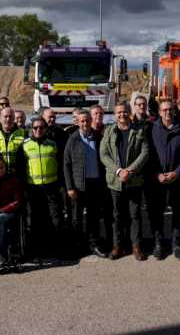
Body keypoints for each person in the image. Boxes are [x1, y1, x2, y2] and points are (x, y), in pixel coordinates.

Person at [100, 101, 150, 260]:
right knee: (117, 215)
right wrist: (119, 170)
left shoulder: (139, 131)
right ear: (115, 114)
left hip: (134, 180)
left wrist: (130, 170)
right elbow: (104, 154)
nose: (122, 115)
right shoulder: (109, 131)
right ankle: (117, 246)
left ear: (129, 113)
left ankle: (136, 246)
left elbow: (145, 152)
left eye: (124, 112)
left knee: (135, 215)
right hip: (115, 182)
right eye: (119, 112)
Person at [63, 109, 112, 258]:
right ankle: (78, 245)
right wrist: (70, 187)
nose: (85, 123)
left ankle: (93, 243)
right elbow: (66, 164)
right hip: (79, 186)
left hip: (95, 184)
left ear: (91, 121)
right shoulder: (73, 139)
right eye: (82, 121)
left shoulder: (98, 137)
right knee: (77, 218)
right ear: (77, 122)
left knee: (94, 216)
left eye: (87, 120)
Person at [148, 99, 180, 260]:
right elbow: (149, 154)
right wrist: (156, 173)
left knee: (177, 212)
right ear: (159, 112)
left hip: (176, 179)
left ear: (174, 111)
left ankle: (177, 243)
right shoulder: (152, 129)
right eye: (164, 110)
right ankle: (158, 243)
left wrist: (177, 172)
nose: (167, 112)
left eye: (170, 110)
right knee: (157, 213)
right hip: (157, 180)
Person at [22, 117, 66, 257]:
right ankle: (37, 251)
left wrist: (61, 185)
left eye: (41, 127)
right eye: (35, 128)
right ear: (31, 129)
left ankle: (57, 249)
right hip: (33, 189)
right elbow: (22, 168)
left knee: (55, 218)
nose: (38, 130)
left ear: (45, 129)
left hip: (51, 188)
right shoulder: (25, 146)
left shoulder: (53, 144)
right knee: (35, 220)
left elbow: (60, 165)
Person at [0, 107, 27, 172]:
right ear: (0, 118)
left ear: (14, 119)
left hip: (16, 175)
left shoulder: (23, 133)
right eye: (5, 116)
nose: (8, 119)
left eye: (10, 117)